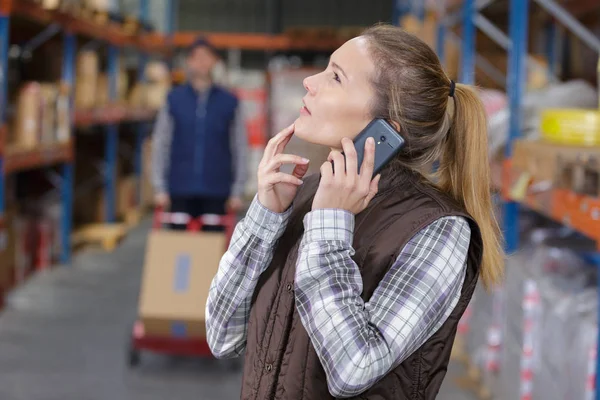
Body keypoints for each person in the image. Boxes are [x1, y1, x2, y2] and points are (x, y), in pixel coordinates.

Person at [206, 24, 503, 399]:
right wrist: (265, 216)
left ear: (383, 131)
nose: (310, 82)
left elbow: (353, 369)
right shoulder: (307, 194)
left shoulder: (439, 230)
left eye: (335, 76)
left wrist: (330, 229)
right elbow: (222, 336)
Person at [151, 37, 247, 227]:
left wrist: (237, 190)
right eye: (196, 57)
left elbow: (239, 146)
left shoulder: (229, 102)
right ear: (189, 61)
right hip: (179, 188)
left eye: (207, 57)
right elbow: (161, 142)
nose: (201, 61)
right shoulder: (174, 99)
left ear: (215, 61)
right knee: (179, 253)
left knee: (213, 252)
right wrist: (159, 187)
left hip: (217, 190)